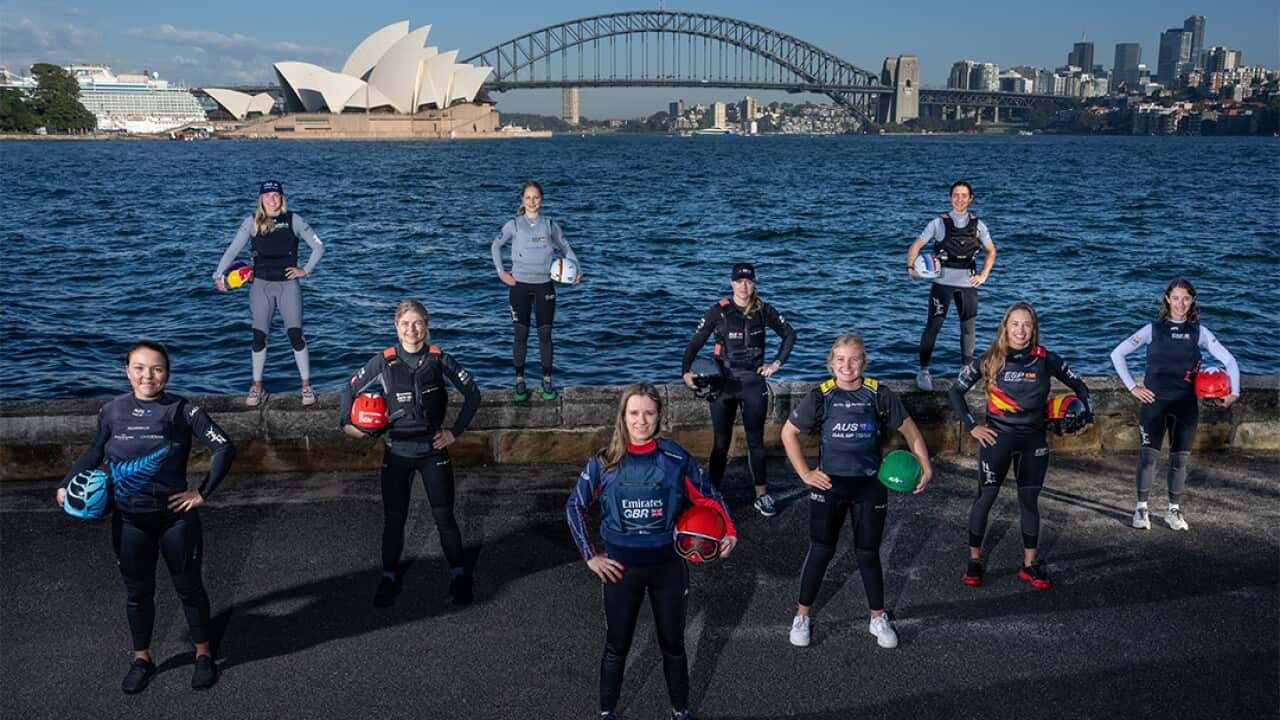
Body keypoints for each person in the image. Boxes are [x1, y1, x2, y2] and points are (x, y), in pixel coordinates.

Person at [56, 340, 235, 693]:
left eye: (156, 368)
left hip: (175, 519)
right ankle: (142, 659)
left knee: (189, 588)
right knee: (137, 593)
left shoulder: (184, 411)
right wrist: (67, 483)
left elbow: (225, 446)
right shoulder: (111, 411)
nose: (147, 375)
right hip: (129, 520)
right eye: (139, 367)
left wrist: (202, 492)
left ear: (167, 373)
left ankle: (203, 655)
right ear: (127, 371)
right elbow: (95, 450)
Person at [566, 383, 737, 720]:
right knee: (617, 646)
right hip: (620, 570)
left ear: (659, 416)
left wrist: (729, 531)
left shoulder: (674, 458)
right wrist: (591, 555)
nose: (641, 420)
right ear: (623, 417)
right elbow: (574, 507)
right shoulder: (605, 462)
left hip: (667, 567)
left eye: (648, 413)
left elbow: (708, 496)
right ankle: (606, 712)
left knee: (673, 646)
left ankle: (681, 712)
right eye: (634, 413)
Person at [780, 333, 933, 649]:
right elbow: (788, 433)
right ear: (831, 363)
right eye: (840, 359)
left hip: (869, 486)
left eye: (854, 359)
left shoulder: (878, 395)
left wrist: (924, 465)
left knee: (868, 553)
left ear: (864, 362)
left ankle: (878, 617)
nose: (847, 365)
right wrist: (806, 473)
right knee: (821, 550)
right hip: (830, 486)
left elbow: (911, 432)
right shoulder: (821, 396)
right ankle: (802, 616)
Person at [338, 299, 481, 608]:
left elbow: (473, 394)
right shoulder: (384, 362)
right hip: (396, 453)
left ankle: (459, 576)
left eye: (417, 323)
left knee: (444, 517)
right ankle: (389, 577)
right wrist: (351, 427)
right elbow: (348, 391)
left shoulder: (439, 359)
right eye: (405, 323)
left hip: (432, 451)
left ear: (426, 326)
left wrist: (454, 433)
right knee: (394, 520)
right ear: (396, 327)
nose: (412, 329)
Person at [948, 302, 1092, 590]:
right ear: (1006, 327)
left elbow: (1081, 387)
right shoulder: (990, 359)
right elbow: (955, 391)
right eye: (1015, 324)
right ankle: (974, 560)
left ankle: (1029, 565)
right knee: (985, 499)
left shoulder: (1046, 359)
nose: (1021, 330)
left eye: (1027, 324)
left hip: (1033, 441)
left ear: (1034, 329)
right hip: (997, 440)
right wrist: (973, 426)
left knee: (1029, 502)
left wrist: (1087, 415)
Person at [1109, 278, 1240, 531]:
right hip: (1154, 404)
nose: (1181, 303)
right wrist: (1133, 387)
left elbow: (1230, 360)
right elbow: (1118, 354)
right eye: (1176, 298)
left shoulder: (1199, 333)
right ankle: (1141, 510)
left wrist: (1234, 392)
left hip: (1185, 406)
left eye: (1186, 298)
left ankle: (1173, 511)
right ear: (1167, 298)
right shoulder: (1152, 330)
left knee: (1179, 461)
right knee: (1148, 458)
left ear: (1192, 302)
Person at [681, 262, 797, 517]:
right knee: (721, 443)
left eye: (748, 281)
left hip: (753, 384)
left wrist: (775, 364)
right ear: (732, 283)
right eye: (739, 281)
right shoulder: (718, 312)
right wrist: (686, 372)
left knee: (755, 441)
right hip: (723, 385)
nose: (744, 286)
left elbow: (789, 334)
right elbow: (694, 345)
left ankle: (761, 495)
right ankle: (712, 493)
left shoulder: (763, 310)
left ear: (754, 283)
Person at [213, 180, 324, 407]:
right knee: (258, 337)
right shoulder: (252, 222)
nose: (272, 200)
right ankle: (256, 386)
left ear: (282, 198)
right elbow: (233, 249)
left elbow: (319, 246)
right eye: (267, 196)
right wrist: (218, 275)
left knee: (295, 335)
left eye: (276, 195)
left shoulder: (294, 219)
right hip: (260, 286)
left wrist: (305, 269)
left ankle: (306, 386)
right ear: (261, 199)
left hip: (288, 286)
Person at [491, 180, 580, 402]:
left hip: (545, 286)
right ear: (522, 199)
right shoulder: (514, 224)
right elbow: (495, 246)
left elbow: (566, 248)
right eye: (528, 197)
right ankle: (519, 380)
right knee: (521, 334)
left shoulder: (550, 225)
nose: (532, 201)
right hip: (519, 286)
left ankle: (547, 380)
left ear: (541, 200)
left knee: (545, 335)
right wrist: (501, 272)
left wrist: (576, 269)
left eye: (536, 197)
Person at [906, 180, 997, 391]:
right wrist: (911, 268)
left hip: (968, 284)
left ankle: (965, 370)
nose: (959, 199)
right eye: (956, 195)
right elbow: (917, 245)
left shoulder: (979, 225)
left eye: (964, 195)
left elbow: (991, 251)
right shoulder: (938, 223)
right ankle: (924, 371)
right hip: (941, 284)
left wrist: (983, 275)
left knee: (968, 328)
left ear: (971, 199)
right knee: (933, 327)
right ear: (950, 198)